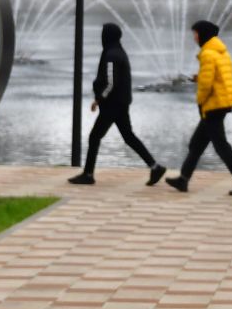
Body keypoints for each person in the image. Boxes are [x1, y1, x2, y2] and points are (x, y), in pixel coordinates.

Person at [167, 19, 232, 196]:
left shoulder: (208, 53)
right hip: (221, 102)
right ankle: (183, 180)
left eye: (195, 33)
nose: (194, 37)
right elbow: (216, 77)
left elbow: (207, 86)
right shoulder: (220, 51)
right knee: (196, 144)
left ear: (203, 34)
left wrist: (200, 102)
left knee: (221, 146)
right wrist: (198, 77)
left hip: (214, 105)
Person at [68, 22, 165, 186]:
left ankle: (88, 174)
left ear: (107, 36)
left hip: (113, 104)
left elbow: (110, 82)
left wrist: (99, 99)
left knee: (95, 136)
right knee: (128, 137)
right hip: (120, 103)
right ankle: (155, 167)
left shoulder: (111, 55)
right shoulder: (118, 51)